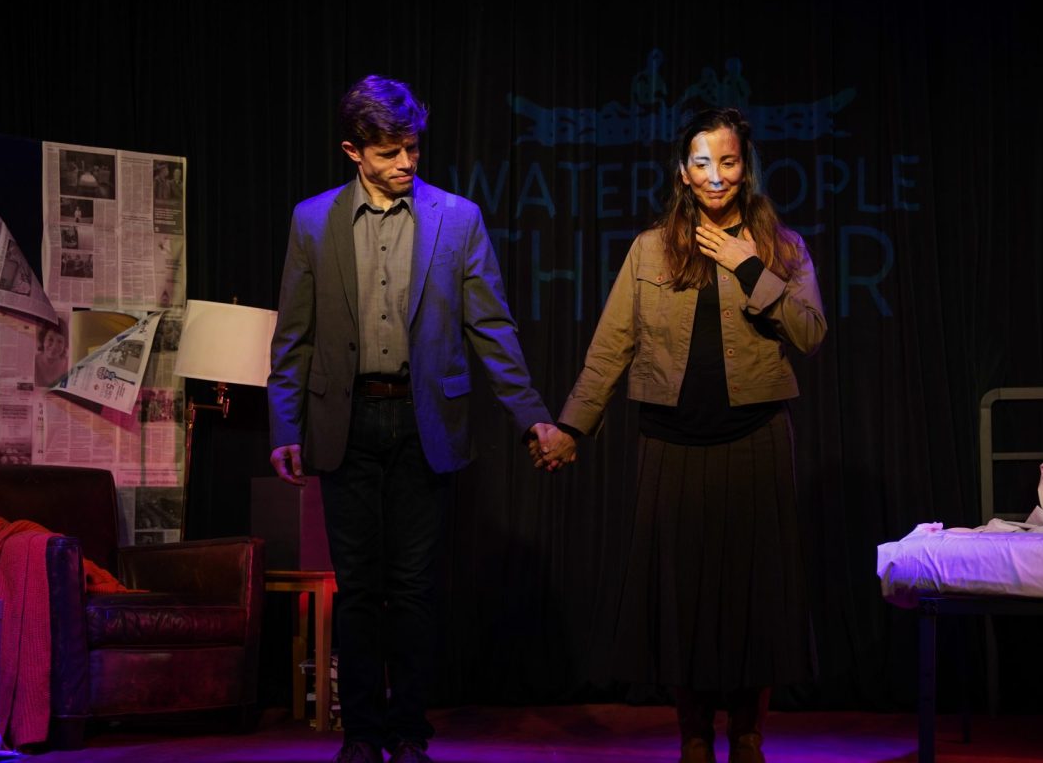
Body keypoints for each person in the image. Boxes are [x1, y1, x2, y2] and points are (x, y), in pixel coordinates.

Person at [268, 74, 571, 763]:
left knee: (412, 589)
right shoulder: (312, 221)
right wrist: (284, 427)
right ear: (353, 151)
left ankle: (408, 731)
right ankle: (360, 733)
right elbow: (294, 335)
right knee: (358, 590)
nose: (408, 162)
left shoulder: (456, 218)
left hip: (422, 424)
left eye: (413, 148)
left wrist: (533, 417)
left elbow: (491, 327)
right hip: (343, 424)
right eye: (391, 152)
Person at [535, 107, 826, 763]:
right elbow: (611, 348)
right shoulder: (649, 250)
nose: (715, 175)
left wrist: (751, 267)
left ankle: (748, 738)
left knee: (756, 602)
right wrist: (572, 425)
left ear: (744, 168)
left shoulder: (781, 247)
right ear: (683, 173)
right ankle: (694, 738)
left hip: (754, 444)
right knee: (679, 604)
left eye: (727, 161)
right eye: (702, 162)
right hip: (671, 447)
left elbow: (810, 333)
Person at [34, 320, 68, 387]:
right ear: (43, 339)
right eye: (50, 339)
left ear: (65, 345)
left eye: (60, 341)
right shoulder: (33, 361)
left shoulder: (69, 364)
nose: (54, 346)